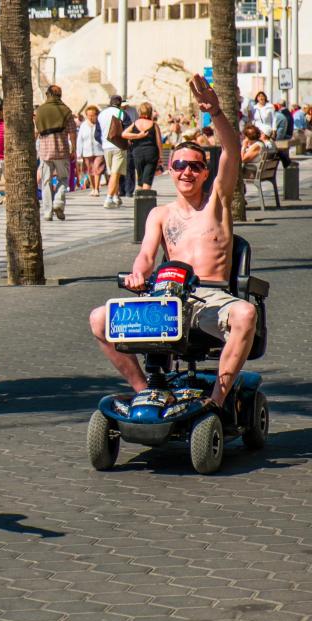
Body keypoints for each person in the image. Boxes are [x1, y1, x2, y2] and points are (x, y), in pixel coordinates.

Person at [89, 75, 255, 411]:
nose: (187, 172)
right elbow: (146, 257)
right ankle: (141, 390)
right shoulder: (160, 214)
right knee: (98, 319)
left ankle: (216, 402)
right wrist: (137, 276)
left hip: (212, 297)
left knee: (246, 313)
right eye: (179, 165)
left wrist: (216, 113)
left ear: (205, 172)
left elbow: (231, 151)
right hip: (168, 299)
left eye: (195, 166)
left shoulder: (216, 202)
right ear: (169, 169)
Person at [34, 85, 76, 221]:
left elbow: (36, 132)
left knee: (45, 182)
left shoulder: (40, 111)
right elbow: (72, 132)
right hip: (61, 150)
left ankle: (47, 212)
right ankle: (58, 202)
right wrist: (74, 148)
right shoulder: (66, 111)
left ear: (47, 95)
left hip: (45, 151)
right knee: (63, 179)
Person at [97, 95, 131, 209]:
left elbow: (96, 134)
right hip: (119, 146)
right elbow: (129, 129)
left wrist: (103, 142)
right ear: (120, 103)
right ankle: (109, 198)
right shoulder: (121, 114)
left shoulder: (101, 114)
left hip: (106, 147)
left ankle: (116, 197)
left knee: (112, 173)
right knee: (115, 174)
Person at [122, 102, 162, 191]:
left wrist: (137, 136)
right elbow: (159, 142)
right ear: (150, 112)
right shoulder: (154, 124)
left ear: (139, 112)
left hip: (137, 152)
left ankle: (139, 200)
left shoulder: (135, 123)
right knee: (147, 178)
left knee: (140, 178)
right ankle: (145, 199)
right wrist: (160, 156)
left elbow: (124, 134)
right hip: (151, 153)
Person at [77, 105, 105, 196]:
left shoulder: (100, 124)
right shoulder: (83, 125)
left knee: (97, 169)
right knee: (90, 171)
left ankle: (97, 189)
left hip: (99, 151)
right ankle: (93, 188)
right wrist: (79, 152)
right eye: (89, 115)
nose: (91, 117)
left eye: (93, 115)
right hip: (87, 151)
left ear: (97, 115)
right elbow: (80, 139)